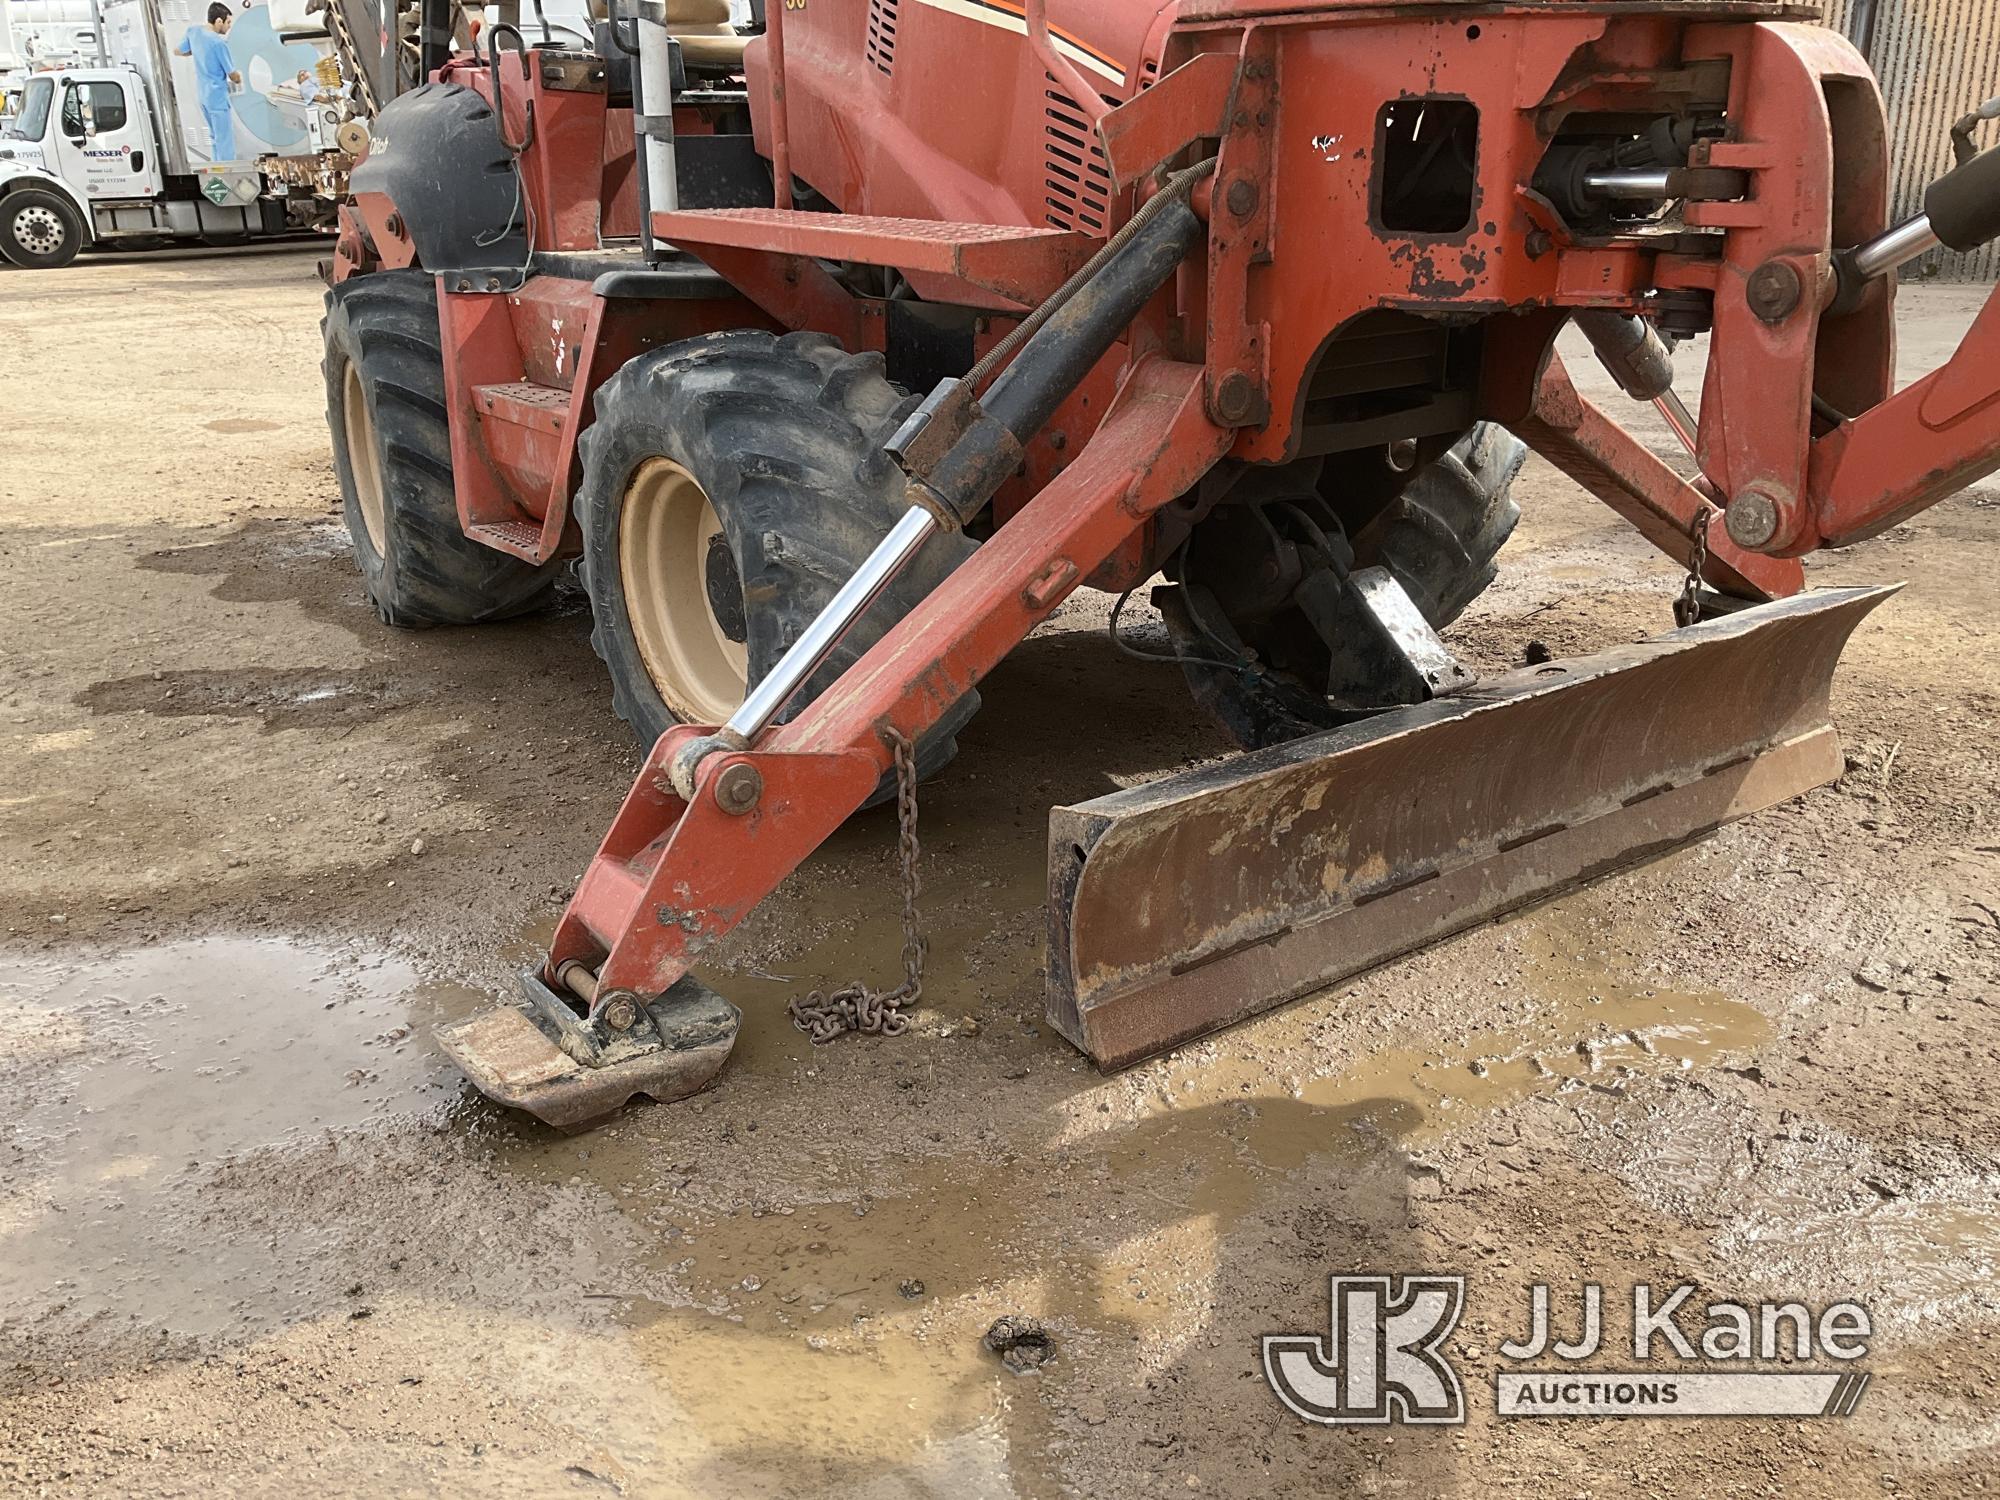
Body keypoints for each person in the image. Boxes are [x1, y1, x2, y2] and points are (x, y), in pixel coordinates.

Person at [175, 3, 241, 164]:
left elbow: (177, 51)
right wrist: (240, 77)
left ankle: (217, 171)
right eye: (228, 22)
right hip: (217, 96)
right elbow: (232, 75)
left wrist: (197, 53)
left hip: (203, 96)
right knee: (225, 140)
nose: (229, 26)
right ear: (219, 21)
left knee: (214, 138)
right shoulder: (218, 44)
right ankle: (229, 174)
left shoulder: (193, 32)